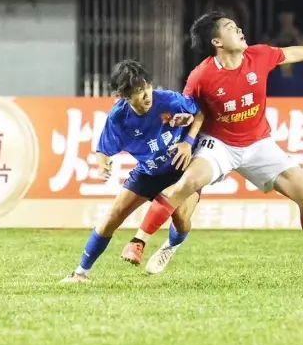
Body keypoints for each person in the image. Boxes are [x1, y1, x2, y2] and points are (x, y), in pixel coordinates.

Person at [119, 12, 303, 280]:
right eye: (231, 28)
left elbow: (290, 53)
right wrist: (183, 130)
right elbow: (190, 110)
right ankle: (140, 242)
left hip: (259, 143)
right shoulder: (201, 76)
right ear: (217, 42)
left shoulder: (259, 55)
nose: (240, 30)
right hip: (218, 144)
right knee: (185, 187)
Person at [61, 60, 203, 283]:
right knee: (113, 215)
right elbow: (103, 150)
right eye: (138, 91)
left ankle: (171, 245)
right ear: (125, 96)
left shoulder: (168, 100)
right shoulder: (118, 117)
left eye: (147, 87)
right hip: (148, 172)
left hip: (181, 169)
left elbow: (200, 112)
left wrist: (188, 141)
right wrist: (102, 164)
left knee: (181, 219)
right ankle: (81, 273)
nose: (147, 95)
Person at [265, 9, 303, 96]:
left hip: (297, 84)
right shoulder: (270, 36)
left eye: (288, 15)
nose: (286, 18)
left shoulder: (301, 36)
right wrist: (279, 37)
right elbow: (265, 50)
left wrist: (294, 34)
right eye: (283, 15)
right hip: (276, 83)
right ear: (279, 17)